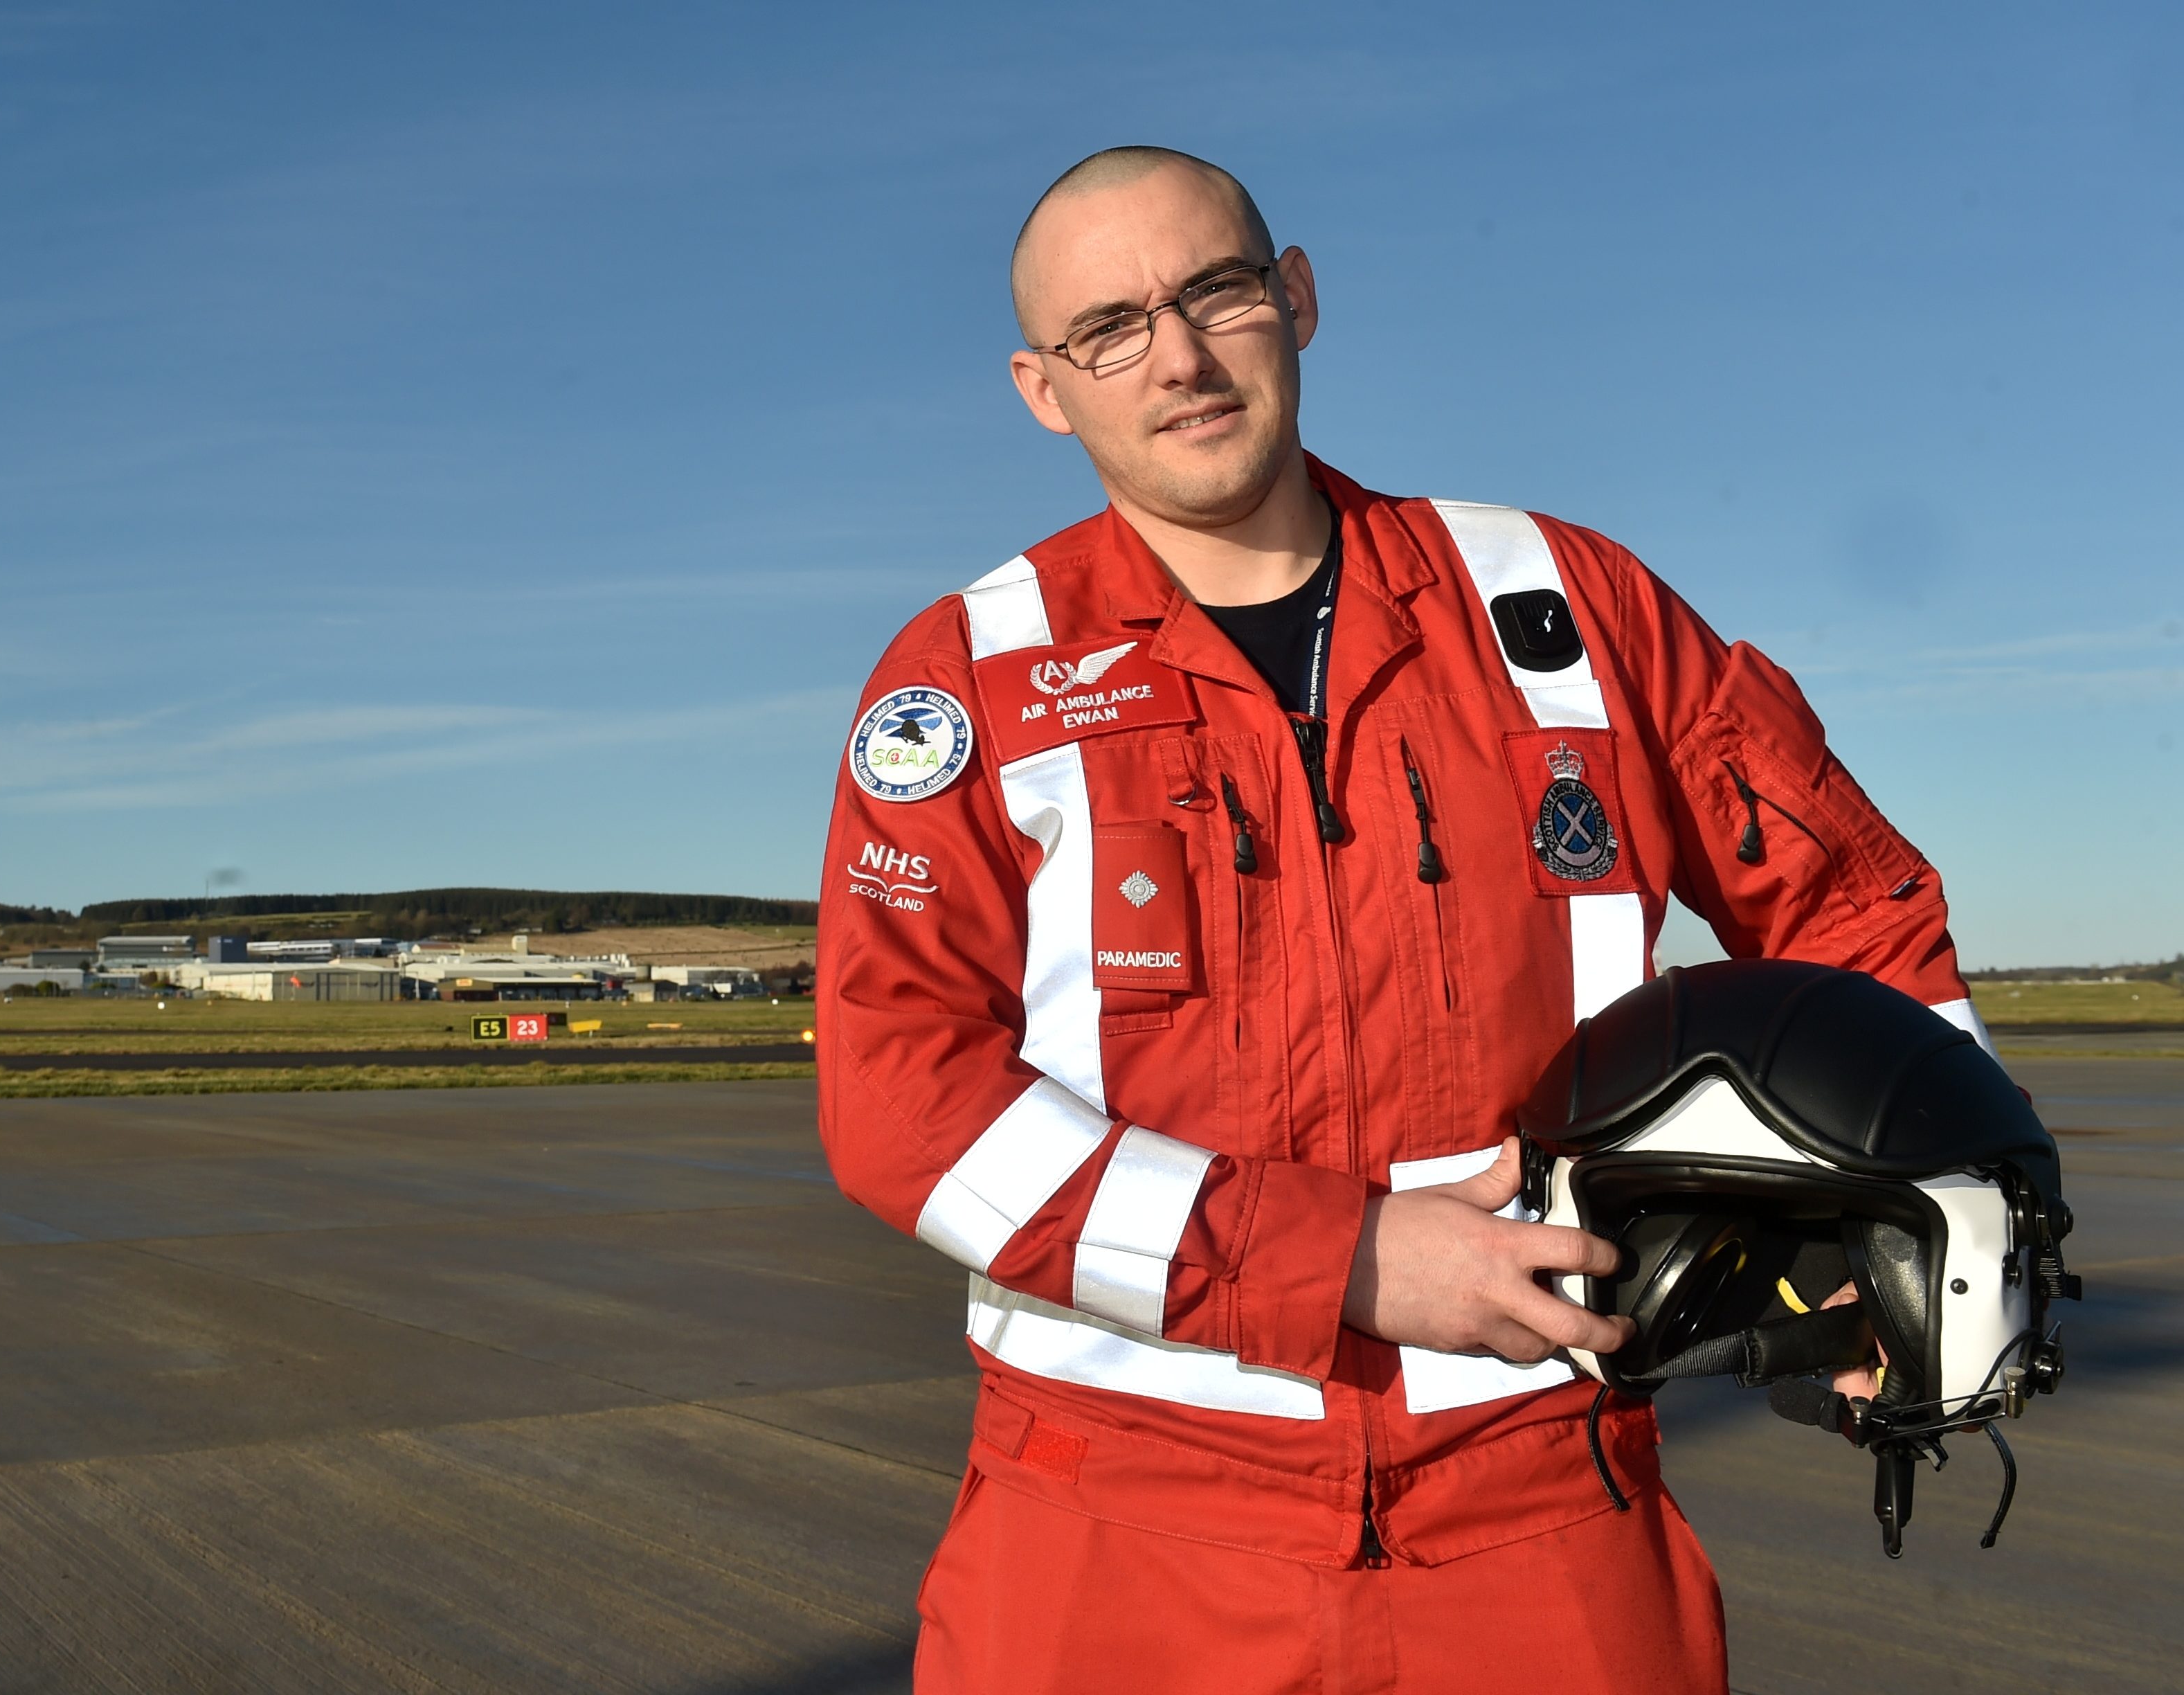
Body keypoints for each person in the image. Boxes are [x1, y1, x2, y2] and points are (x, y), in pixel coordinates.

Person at [815, 147, 1992, 1694]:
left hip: (1543, 1507)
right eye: (1108, 329)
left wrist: (1925, 1215)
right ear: (1044, 388)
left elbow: (1847, 903)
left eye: (1214, 292)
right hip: (1114, 1523)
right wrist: (1338, 1263)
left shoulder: (1564, 607)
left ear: (1292, 298)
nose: (1175, 357)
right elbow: (902, 1100)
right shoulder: (968, 678)